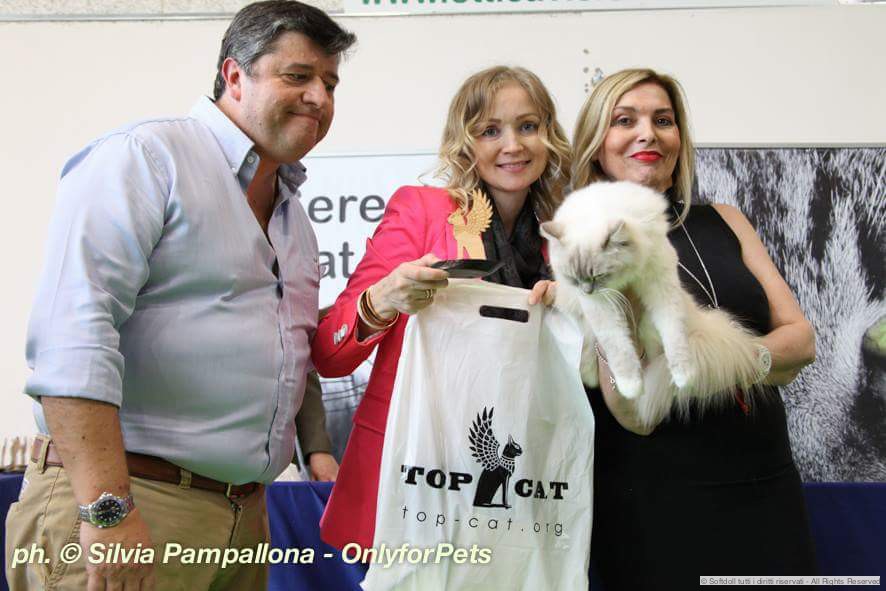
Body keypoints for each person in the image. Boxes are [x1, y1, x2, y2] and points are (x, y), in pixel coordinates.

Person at [6, 2, 355, 590]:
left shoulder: (293, 215)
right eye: (298, 76)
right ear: (235, 76)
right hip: (129, 505)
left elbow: (288, 353)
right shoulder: (145, 158)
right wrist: (107, 510)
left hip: (243, 518)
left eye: (330, 83)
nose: (319, 97)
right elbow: (73, 340)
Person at [570, 68, 817, 589]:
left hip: (766, 486)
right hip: (655, 504)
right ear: (596, 143)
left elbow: (802, 340)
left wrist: (719, 361)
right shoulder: (580, 243)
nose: (648, 134)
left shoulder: (726, 220)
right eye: (624, 120)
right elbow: (636, 410)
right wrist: (758, 359)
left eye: (663, 120)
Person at [311, 65, 572, 551]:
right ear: (465, 142)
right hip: (412, 478)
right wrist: (382, 300)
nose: (513, 145)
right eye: (490, 130)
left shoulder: (562, 239)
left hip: (521, 487)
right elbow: (329, 355)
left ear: (549, 135)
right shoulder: (423, 210)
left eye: (528, 126)